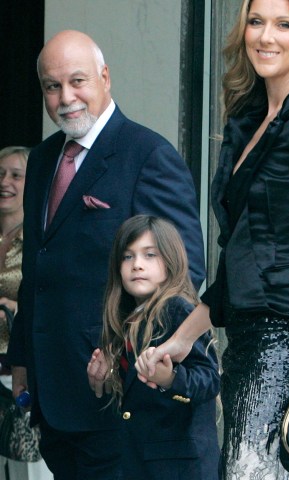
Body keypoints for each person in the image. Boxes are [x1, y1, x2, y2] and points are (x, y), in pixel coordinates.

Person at [131, 0, 289, 478]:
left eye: (284, 25)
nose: (266, 37)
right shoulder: (248, 119)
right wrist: (180, 341)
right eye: (256, 22)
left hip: (285, 340)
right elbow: (239, 259)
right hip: (244, 342)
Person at [6, 30, 205, 480]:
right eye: (52, 87)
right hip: (51, 392)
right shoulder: (41, 160)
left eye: (78, 81)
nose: (66, 98)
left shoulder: (148, 155)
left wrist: (130, 362)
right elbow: (38, 268)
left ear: (105, 77)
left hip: (118, 398)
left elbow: (185, 268)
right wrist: (22, 359)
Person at [95, 214, 220, 479]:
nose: (137, 265)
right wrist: (104, 377)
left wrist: (170, 378)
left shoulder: (179, 310)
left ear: (171, 260)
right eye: (127, 257)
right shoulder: (127, 317)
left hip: (180, 467)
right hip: (142, 463)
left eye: (150, 255)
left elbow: (209, 380)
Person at [0, 146, 53, 480]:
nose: (5, 181)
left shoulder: (43, 237)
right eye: (0, 173)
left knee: (28, 473)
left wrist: (8, 308)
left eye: (16, 175)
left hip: (17, 372)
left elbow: (47, 296)